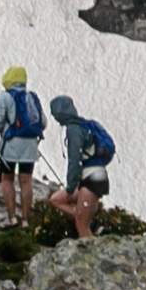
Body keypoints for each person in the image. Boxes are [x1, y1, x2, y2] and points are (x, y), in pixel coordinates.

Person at [0, 63, 49, 223]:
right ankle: (25, 219)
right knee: (26, 181)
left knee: (7, 179)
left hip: (10, 146)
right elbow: (43, 122)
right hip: (30, 147)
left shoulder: (5, 97)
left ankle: (11, 218)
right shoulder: (32, 97)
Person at [51, 93, 115, 236]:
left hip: (91, 180)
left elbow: (74, 161)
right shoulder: (85, 125)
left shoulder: (74, 130)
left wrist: (70, 186)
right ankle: (89, 221)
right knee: (56, 199)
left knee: (81, 225)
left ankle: (89, 243)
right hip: (97, 177)